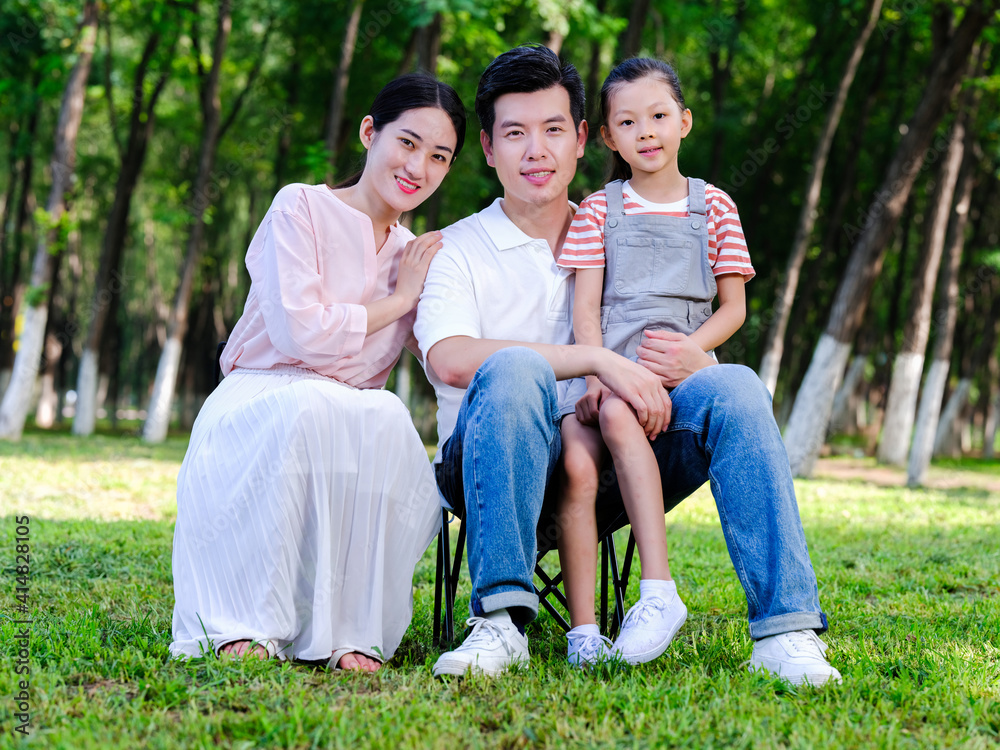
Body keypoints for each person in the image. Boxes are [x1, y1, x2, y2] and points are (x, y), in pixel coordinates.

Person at [415, 45, 841, 687]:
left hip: (621, 455)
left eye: (554, 129)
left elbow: (706, 309)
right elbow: (448, 361)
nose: (537, 150)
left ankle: (786, 633)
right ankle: (500, 623)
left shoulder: (614, 222)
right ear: (487, 147)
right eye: (515, 134)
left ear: (584, 138)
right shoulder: (459, 249)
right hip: (493, 465)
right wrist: (593, 361)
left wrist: (693, 354)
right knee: (513, 369)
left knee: (737, 386)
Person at [169, 74, 466, 673]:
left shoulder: (414, 254)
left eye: (439, 156)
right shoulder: (300, 206)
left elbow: (444, 355)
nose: (419, 167)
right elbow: (299, 331)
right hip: (265, 394)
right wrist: (399, 297)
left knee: (387, 417)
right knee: (308, 408)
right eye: (407, 143)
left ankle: (352, 632)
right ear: (368, 133)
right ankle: (243, 622)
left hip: (352, 416)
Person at [552, 57, 753, 667]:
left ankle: (658, 590)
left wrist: (694, 354)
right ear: (608, 136)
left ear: (684, 122)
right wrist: (595, 373)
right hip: (616, 370)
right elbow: (586, 309)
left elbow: (734, 307)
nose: (647, 133)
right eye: (629, 122)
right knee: (605, 424)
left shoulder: (715, 206)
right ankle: (629, 606)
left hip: (688, 375)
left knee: (627, 415)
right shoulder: (597, 211)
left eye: (660, 116)